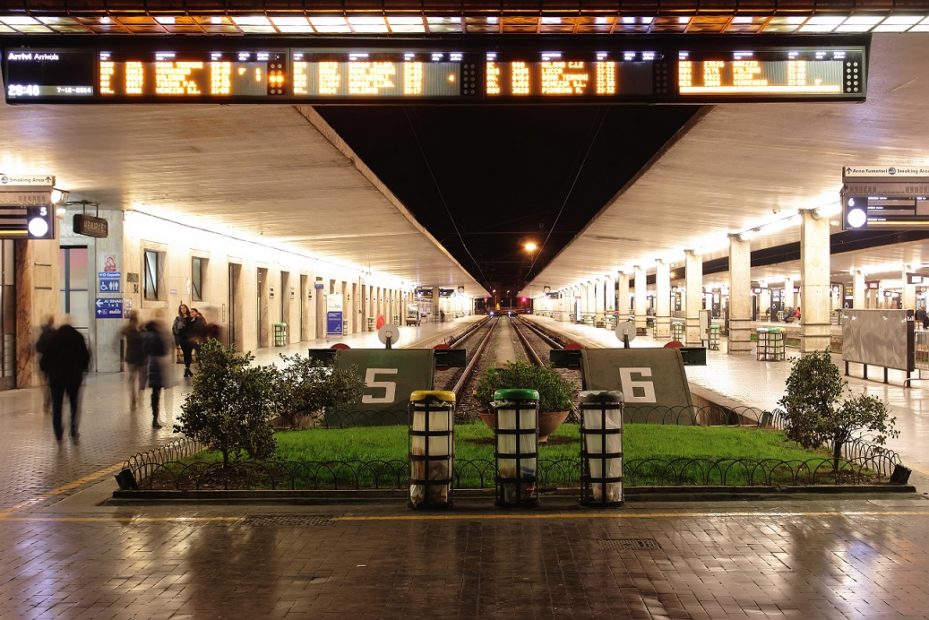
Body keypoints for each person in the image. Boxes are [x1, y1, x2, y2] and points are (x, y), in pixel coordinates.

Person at [40, 317, 90, 441]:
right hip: (73, 377)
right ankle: (73, 430)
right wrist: (82, 369)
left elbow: (44, 359)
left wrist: (46, 371)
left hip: (56, 378)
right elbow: (85, 356)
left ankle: (58, 433)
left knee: (57, 406)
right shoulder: (78, 337)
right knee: (74, 404)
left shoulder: (54, 338)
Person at [142, 317, 170, 428]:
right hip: (157, 366)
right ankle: (155, 419)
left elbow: (144, 350)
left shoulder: (146, 336)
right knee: (156, 393)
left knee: (154, 393)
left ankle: (155, 417)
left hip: (151, 364)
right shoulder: (157, 336)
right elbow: (164, 350)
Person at [121, 310, 147, 411]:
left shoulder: (127, 328)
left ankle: (133, 398)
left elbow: (119, 336)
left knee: (132, 379)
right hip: (142, 357)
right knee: (142, 378)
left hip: (131, 357)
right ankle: (140, 395)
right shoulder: (141, 328)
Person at [35, 315, 56, 414]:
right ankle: (51, 405)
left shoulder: (42, 333)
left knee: (46, 385)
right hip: (53, 363)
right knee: (53, 385)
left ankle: (46, 405)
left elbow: (38, 347)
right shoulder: (54, 333)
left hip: (44, 363)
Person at [172, 303, 194, 377]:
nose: (183, 309)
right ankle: (186, 369)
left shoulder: (191, 317)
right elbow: (174, 328)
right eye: (181, 308)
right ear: (180, 310)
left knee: (189, 353)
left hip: (190, 338)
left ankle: (187, 369)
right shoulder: (178, 318)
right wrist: (177, 333)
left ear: (186, 309)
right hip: (182, 338)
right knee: (185, 353)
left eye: (184, 308)